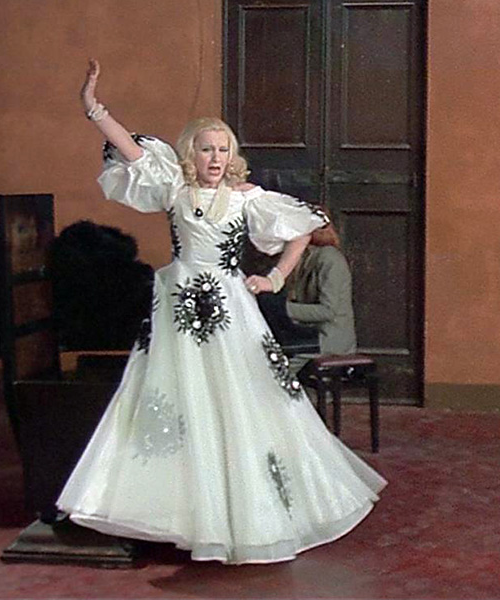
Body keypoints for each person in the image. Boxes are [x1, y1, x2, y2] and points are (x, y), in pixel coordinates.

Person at [57, 59, 386, 565]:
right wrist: (92, 106)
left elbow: (304, 226)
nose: (215, 157)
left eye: (223, 149)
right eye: (207, 148)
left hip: (230, 305)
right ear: (191, 152)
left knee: (244, 400)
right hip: (178, 305)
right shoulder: (173, 186)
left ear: (233, 155)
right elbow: (130, 149)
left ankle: (247, 515)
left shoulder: (246, 197)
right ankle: (181, 512)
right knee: (177, 396)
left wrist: (275, 277)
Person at [286, 219, 357, 361]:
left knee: (276, 366)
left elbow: (327, 311)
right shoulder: (306, 256)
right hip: (311, 335)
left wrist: (282, 309)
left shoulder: (330, 259)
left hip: (328, 341)